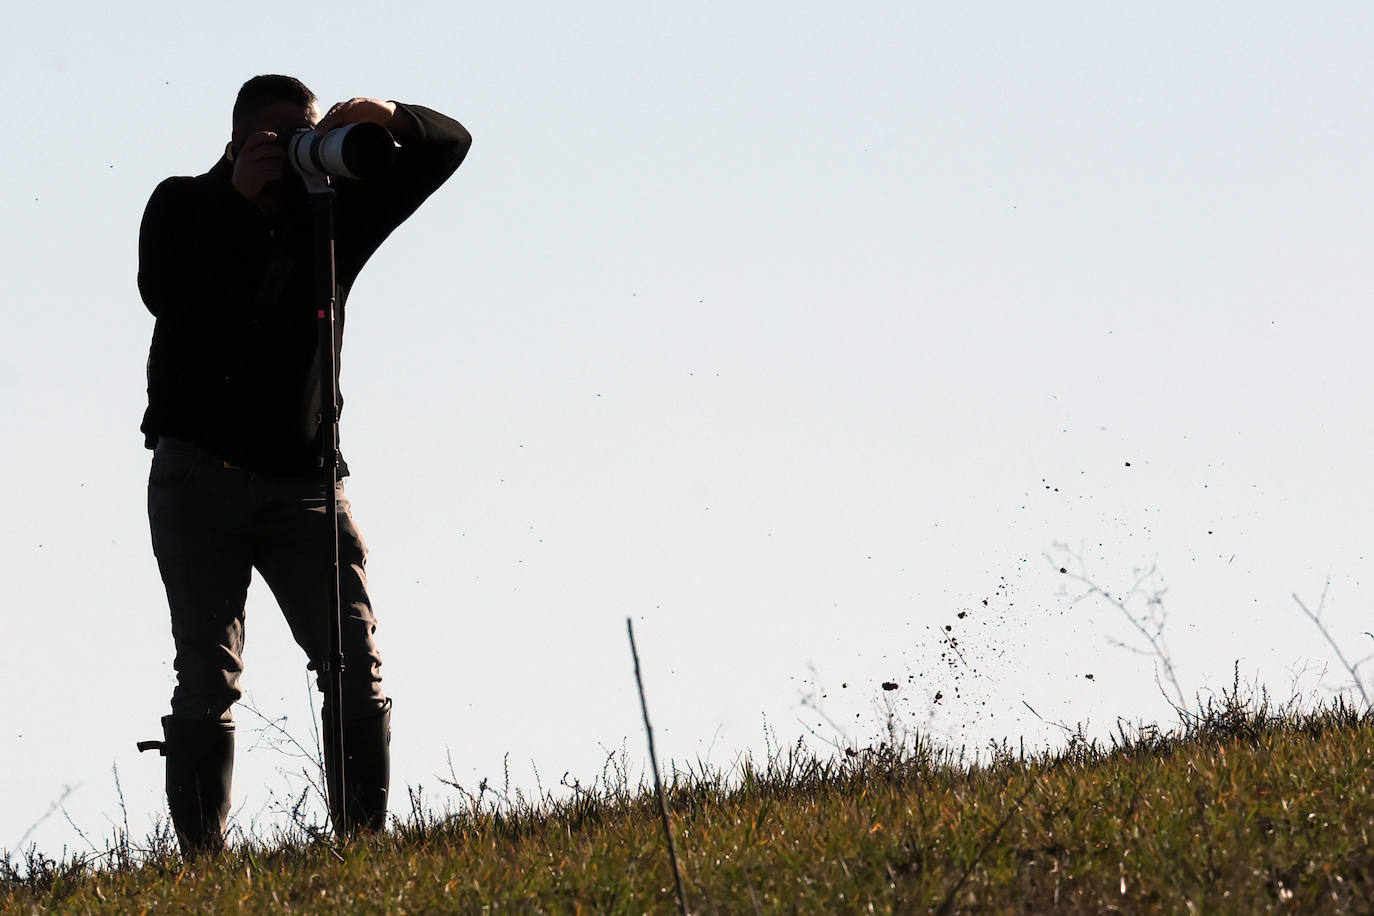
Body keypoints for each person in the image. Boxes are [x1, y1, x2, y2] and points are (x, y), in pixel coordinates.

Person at [135, 74, 471, 855]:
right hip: (197, 479)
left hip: (308, 484)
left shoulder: (332, 214)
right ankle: (201, 865)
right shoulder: (185, 204)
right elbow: (163, 292)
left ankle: (361, 846)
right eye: (278, 138)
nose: (294, 154)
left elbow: (451, 147)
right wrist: (239, 204)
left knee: (356, 663)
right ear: (236, 142)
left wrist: (391, 118)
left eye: (305, 136)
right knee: (207, 678)